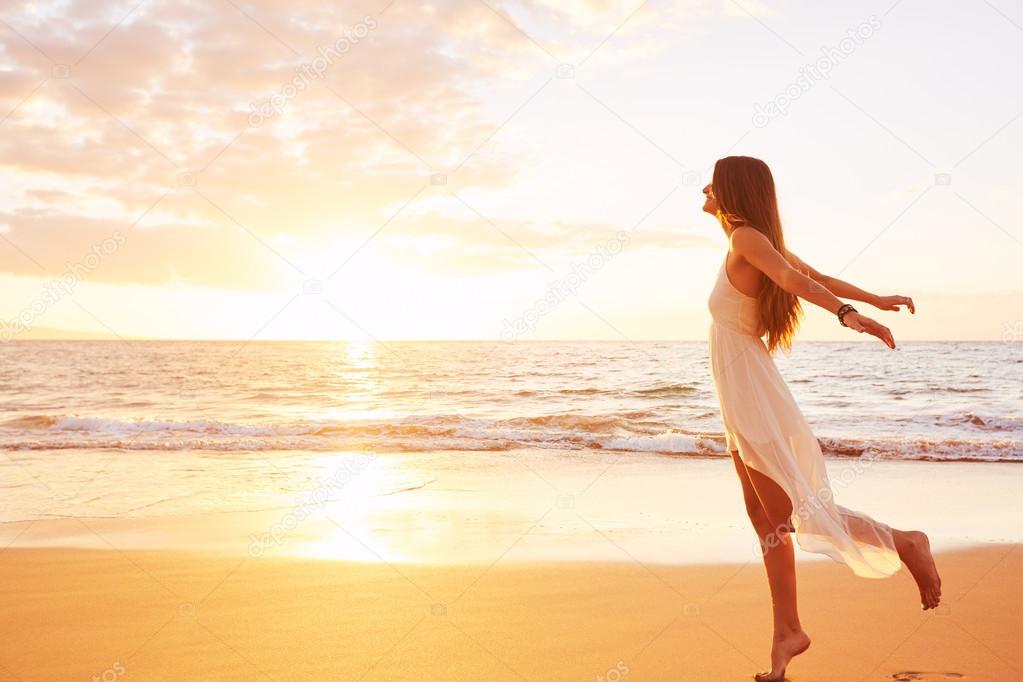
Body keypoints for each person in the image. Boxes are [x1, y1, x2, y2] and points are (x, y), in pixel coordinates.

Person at [703, 155, 942, 681]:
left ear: (733, 190)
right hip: (739, 391)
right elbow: (814, 274)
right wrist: (872, 295)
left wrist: (849, 314)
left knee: (786, 513)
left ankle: (904, 542)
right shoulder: (750, 240)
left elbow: (793, 278)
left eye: (713, 181)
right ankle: (787, 632)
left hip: (749, 390)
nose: (704, 187)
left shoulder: (745, 237)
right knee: (765, 519)